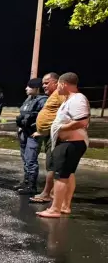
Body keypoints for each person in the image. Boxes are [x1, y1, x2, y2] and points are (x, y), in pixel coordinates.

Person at [37, 72, 90, 218]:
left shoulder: (77, 99)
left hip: (70, 143)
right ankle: (64, 206)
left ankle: (55, 209)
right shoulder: (70, 99)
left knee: (60, 176)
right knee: (67, 174)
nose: (58, 89)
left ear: (63, 84)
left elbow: (82, 121)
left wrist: (61, 128)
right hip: (67, 143)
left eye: (59, 85)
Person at [29, 72, 62, 204]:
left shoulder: (61, 95)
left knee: (52, 165)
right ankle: (52, 192)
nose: (43, 86)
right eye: (43, 83)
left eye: (47, 83)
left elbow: (64, 114)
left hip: (55, 136)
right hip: (48, 134)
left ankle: (47, 193)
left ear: (56, 82)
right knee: (51, 164)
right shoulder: (52, 96)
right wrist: (42, 130)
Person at [14, 77, 47, 194]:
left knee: (31, 159)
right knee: (25, 158)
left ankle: (32, 186)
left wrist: (40, 131)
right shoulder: (29, 99)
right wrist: (20, 127)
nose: (26, 88)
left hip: (33, 134)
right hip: (24, 132)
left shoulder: (43, 101)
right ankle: (27, 181)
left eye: (29, 86)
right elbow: (24, 114)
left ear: (36, 88)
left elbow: (45, 118)